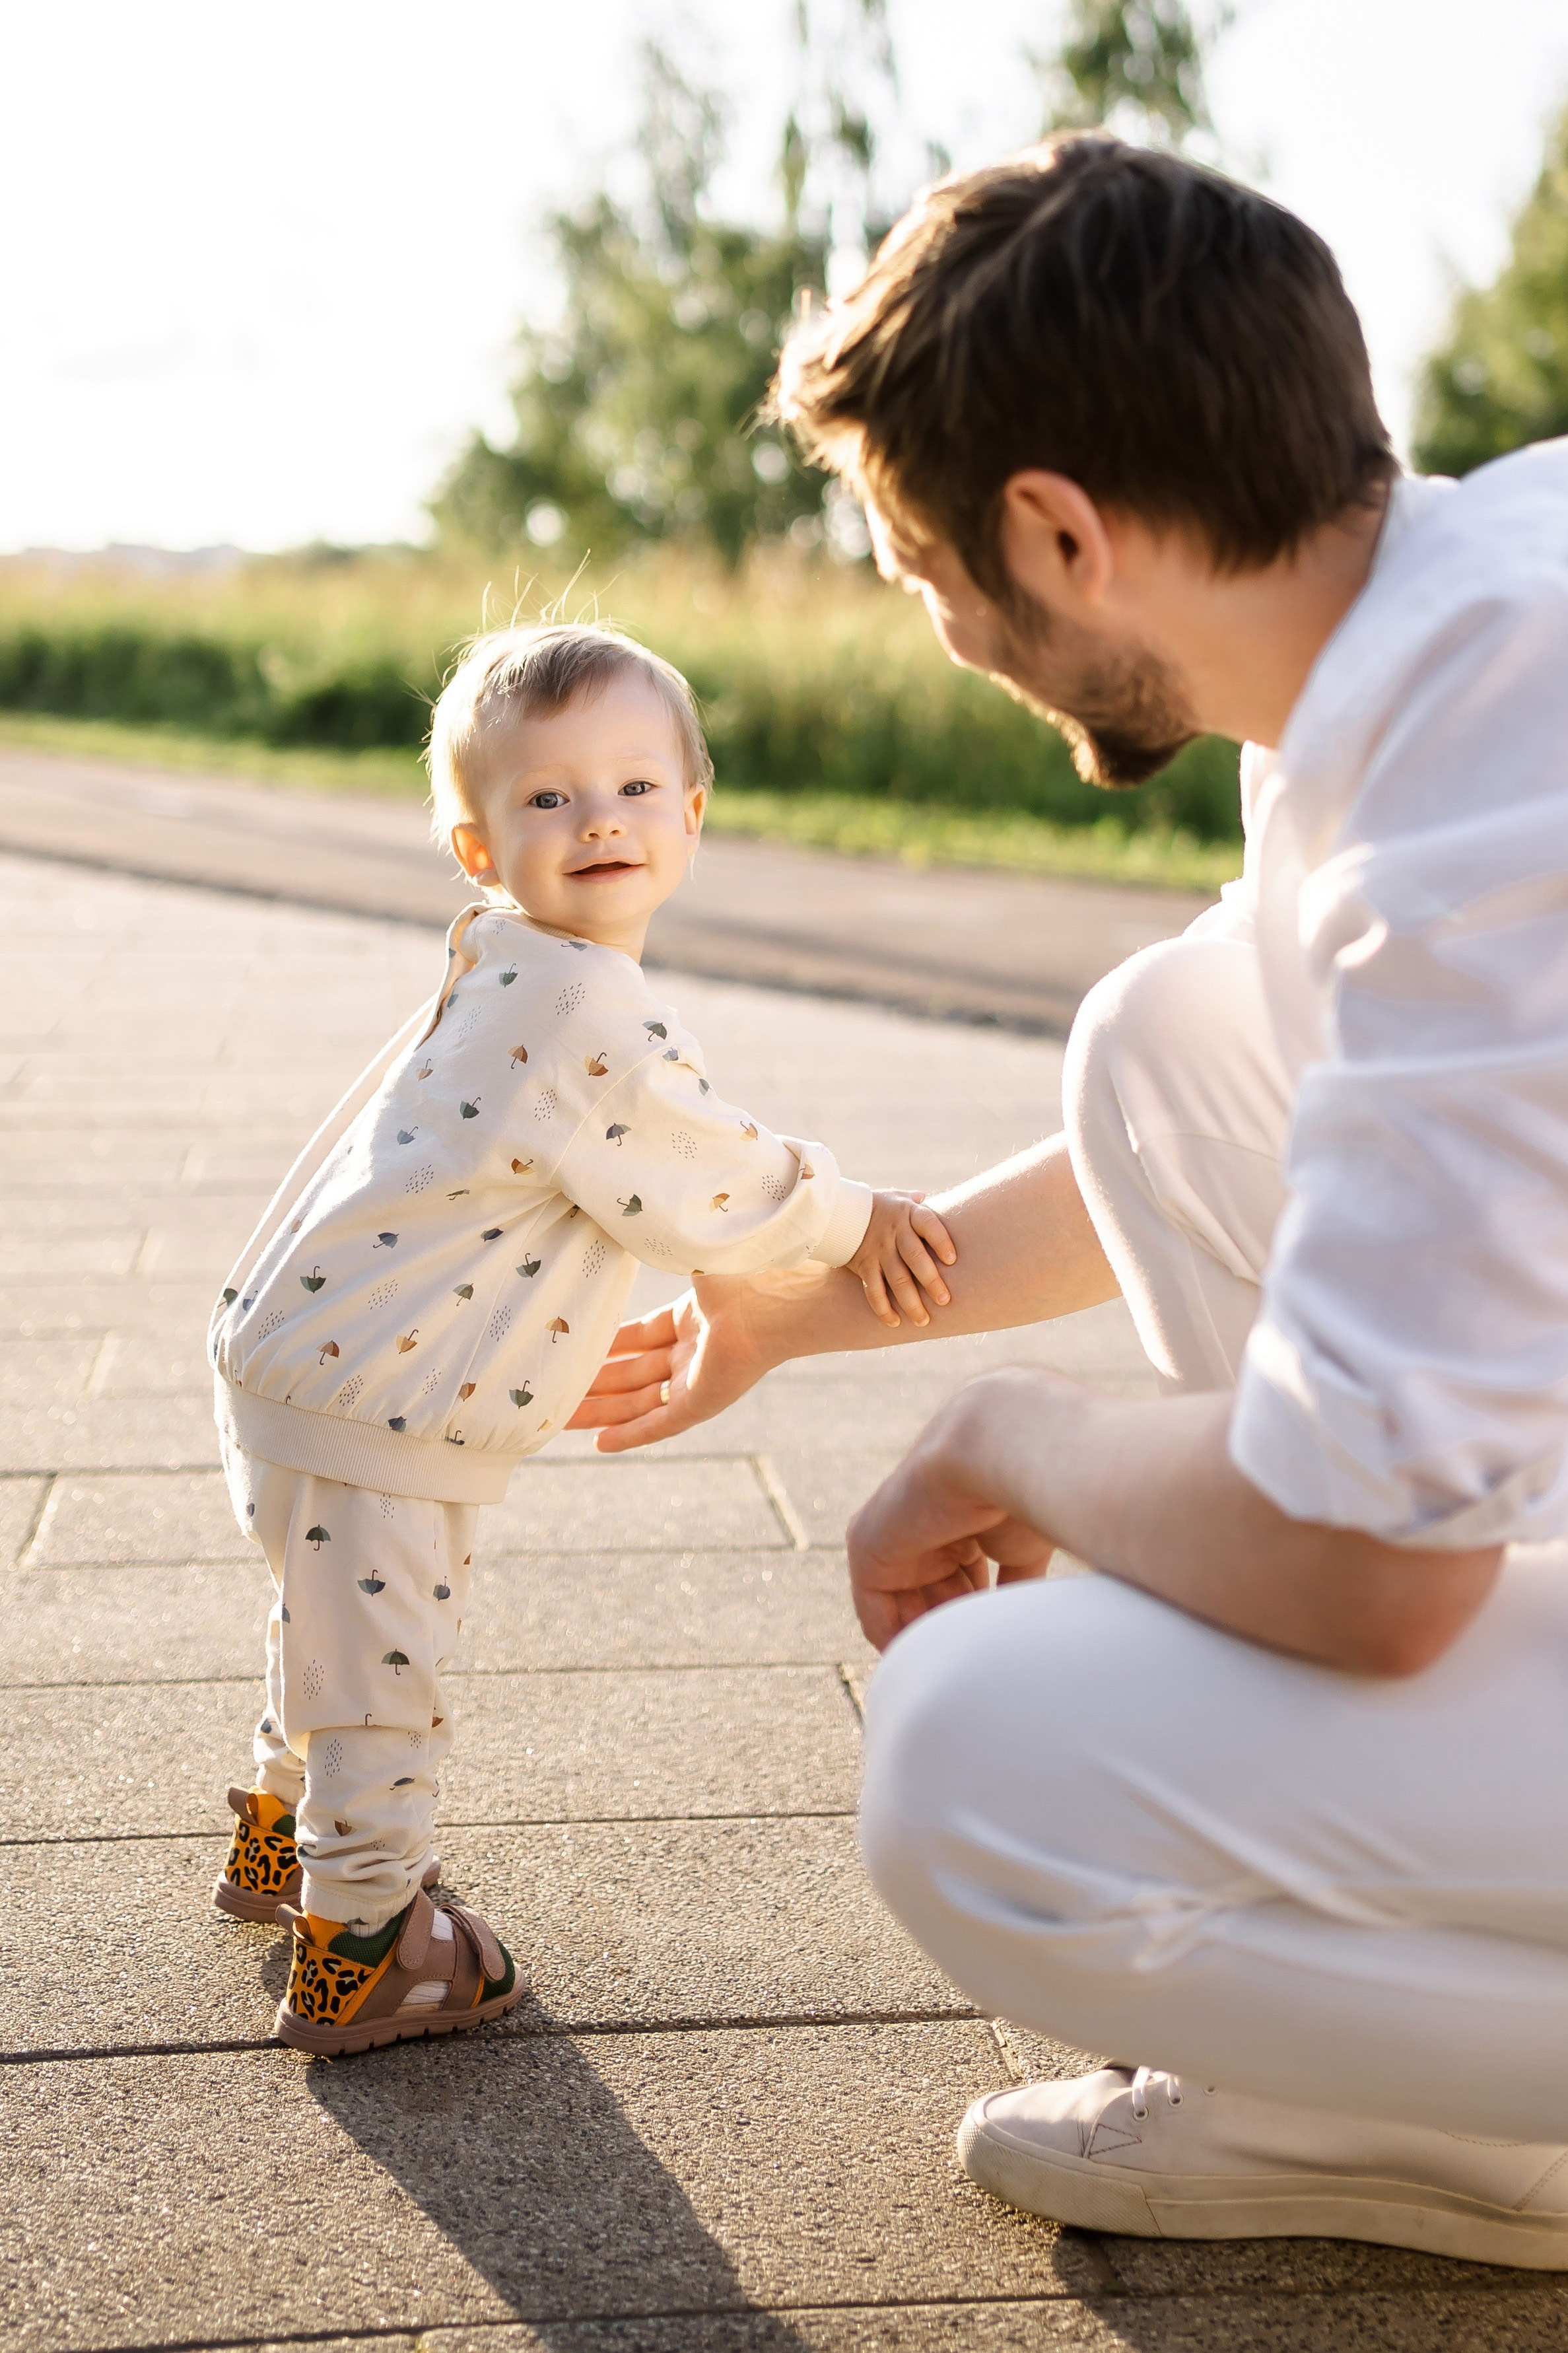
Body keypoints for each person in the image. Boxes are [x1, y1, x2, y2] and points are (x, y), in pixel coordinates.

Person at [572, 137, 1568, 2268]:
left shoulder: (1485, 775)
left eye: (929, 581)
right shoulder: (1438, 628)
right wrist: (800, 1309)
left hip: (1400, 1552)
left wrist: (1006, 1435)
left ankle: (1469, 2111)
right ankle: (1359, 2104)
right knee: (1176, 1032)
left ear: (1058, 533)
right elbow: (1308, 1107)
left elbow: (1375, 1573)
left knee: (970, 1765)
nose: (946, 638)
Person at [207, 622, 955, 2055]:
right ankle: (361, 1944)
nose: (597, 817)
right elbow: (704, 1171)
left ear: (693, 806)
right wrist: (853, 1217)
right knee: (386, 1671)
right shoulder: (576, 994)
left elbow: (647, 1154)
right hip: (373, 1403)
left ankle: (274, 1842)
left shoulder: (509, 963)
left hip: (297, 1363)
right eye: (547, 798)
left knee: (328, 1626)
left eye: (630, 784)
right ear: (478, 846)